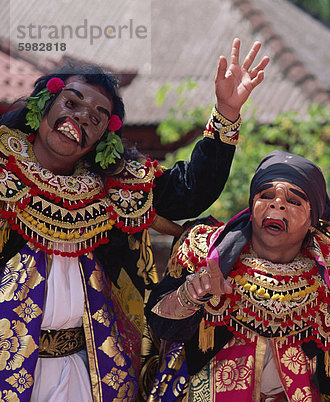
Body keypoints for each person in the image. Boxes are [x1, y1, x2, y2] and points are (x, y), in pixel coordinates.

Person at [0, 38, 268, 400]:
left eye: (96, 117)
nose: (81, 116)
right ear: (44, 103)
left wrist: (227, 111)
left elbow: (191, 192)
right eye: (72, 102)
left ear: (102, 137)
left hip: (85, 369)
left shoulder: (116, 185)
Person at [145, 150, 330, 401]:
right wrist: (189, 296)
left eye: (294, 201)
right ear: (251, 204)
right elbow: (158, 327)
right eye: (266, 195)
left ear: (313, 218)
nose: (277, 204)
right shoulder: (206, 251)